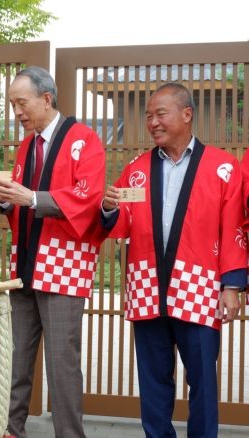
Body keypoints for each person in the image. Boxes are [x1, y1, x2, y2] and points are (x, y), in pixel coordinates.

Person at [101, 82, 246, 437]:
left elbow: (234, 227)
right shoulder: (137, 169)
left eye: (160, 114)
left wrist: (232, 285)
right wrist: (107, 208)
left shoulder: (223, 168)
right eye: (149, 116)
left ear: (186, 114)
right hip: (146, 286)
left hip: (199, 287)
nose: (153, 122)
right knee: (152, 382)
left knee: (203, 382)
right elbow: (122, 224)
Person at [0, 66, 106, 438]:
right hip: (25, 261)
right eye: (12, 105)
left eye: (21, 103)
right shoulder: (27, 144)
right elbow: (22, 202)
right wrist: (7, 200)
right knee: (15, 360)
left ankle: (70, 435)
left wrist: (30, 197)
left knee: (62, 363)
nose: (17, 112)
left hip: (63, 266)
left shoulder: (84, 140)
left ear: (46, 98)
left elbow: (89, 198)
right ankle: (9, 431)